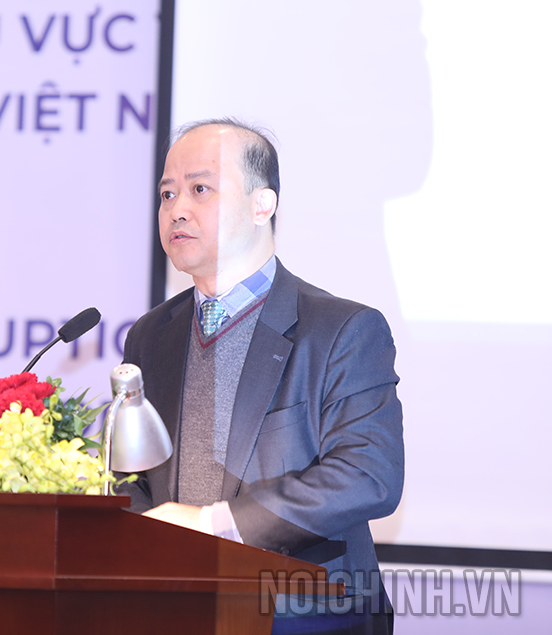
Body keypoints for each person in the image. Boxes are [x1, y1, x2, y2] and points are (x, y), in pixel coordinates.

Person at [119, 119, 404, 634]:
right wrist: (143, 537)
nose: (176, 209)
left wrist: (212, 525)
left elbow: (368, 475)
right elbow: (130, 475)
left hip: (308, 615)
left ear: (262, 205)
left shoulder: (341, 330)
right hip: (172, 610)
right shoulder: (150, 335)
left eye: (200, 189)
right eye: (167, 194)